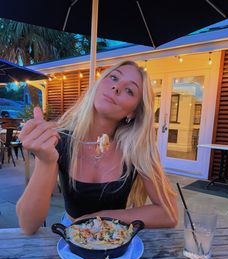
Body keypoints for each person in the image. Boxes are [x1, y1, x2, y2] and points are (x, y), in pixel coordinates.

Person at [16, 60, 178, 235]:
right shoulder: (60, 139)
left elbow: (169, 214)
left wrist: (103, 217)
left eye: (129, 90)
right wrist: (46, 161)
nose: (116, 88)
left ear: (133, 112)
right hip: (71, 235)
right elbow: (28, 225)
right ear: (98, 85)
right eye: (114, 78)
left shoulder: (138, 149)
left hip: (116, 236)